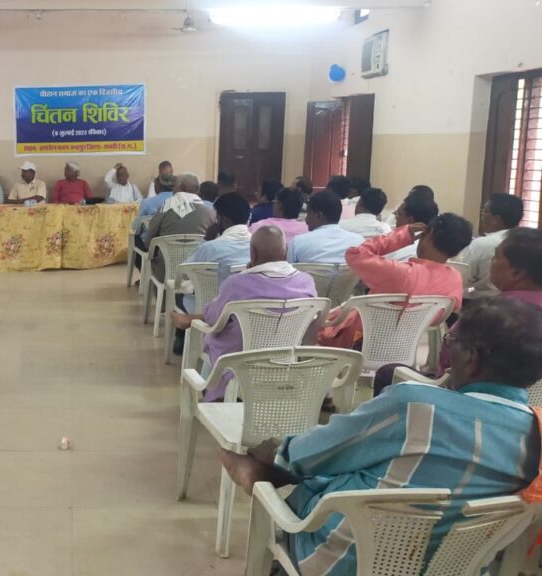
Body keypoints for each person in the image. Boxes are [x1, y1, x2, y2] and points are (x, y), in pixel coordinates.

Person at [219, 297, 542, 576]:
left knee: (311, 464)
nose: (448, 352)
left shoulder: (414, 406)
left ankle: (261, 472)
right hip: (453, 567)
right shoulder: (536, 436)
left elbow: (311, 455)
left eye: (450, 341)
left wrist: (277, 451)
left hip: (345, 561)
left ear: (470, 358)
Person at [373, 227, 542, 392]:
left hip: (466, 395)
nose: (492, 263)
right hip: (530, 403)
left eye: (495, 258)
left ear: (516, 273)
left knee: (388, 373)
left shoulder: (492, 314)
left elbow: (451, 366)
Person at [170, 226, 317, 401]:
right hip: (284, 361)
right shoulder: (306, 282)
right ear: (285, 253)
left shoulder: (236, 284)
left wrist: (245, 274)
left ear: (252, 253)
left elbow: (212, 318)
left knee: (213, 338)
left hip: (236, 364)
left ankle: (214, 394)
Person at [319, 214, 472, 350]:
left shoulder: (402, 273)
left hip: (358, 342)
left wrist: (402, 235)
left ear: (429, 234)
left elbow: (354, 254)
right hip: (404, 348)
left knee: (314, 323)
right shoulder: (455, 279)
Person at [171, 192, 253, 355]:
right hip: (247, 311)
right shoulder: (258, 244)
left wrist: (205, 240)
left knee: (178, 291)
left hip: (210, 308)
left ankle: (181, 338)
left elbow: (184, 272)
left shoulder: (210, 247)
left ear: (224, 220)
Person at [143, 174, 216, 280]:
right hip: (197, 272)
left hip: (165, 271)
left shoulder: (166, 207)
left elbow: (148, 241)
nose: (173, 190)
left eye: (175, 186)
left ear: (181, 187)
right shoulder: (210, 212)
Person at [455, 193, 524, 299]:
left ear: (495, 219)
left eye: (484, 211)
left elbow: (460, 276)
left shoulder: (482, 244)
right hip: (517, 301)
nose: (481, 215)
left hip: (479, 301)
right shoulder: (525, 241)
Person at [287, 192, 364, 264]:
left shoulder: (297, 243)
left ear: (319, 216)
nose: (306, 219)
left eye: (308, 214)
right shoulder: (359, 242)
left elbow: (289, 272)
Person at [386, 191, 439, 261]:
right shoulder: (433, 247)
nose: (396, 218)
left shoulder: (397, 248)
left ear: (410, 220)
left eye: (399, 214)